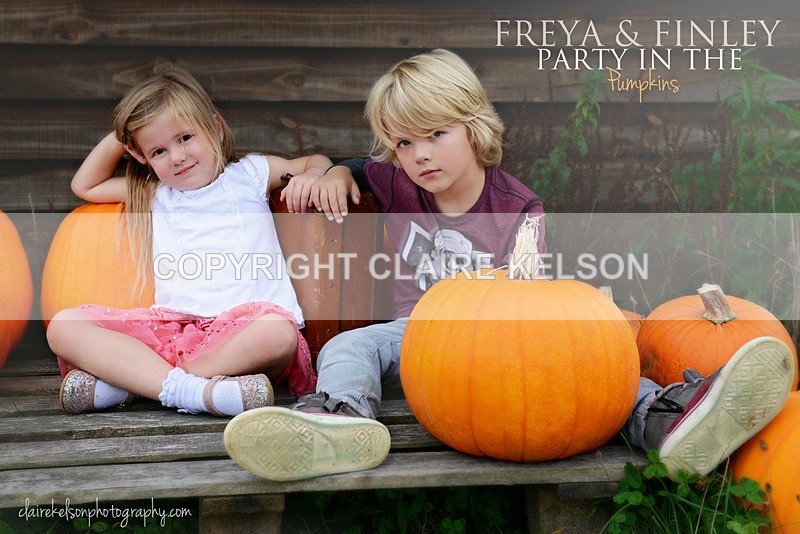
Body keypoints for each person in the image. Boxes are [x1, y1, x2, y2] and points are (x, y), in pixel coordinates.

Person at [223, 49, 796, 481]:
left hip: (498, 344)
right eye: (402, 143)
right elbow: (345, 160)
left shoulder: (517, 207)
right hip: (417, 338)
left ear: (473, 128)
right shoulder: (396, 182)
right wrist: (333, 172)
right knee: (346, 348)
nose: (419, 154)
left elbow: (528, 293)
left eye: (435, 135)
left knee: (591, 366)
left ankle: (667, 418)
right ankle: (342, 423)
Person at [47, 67, 332, 417]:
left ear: (213, 126)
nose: (177, 156)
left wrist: (315, 175)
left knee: (279, 333)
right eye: (158, 151)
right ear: (141, 157)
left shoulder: (251, 174)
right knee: (63, 326)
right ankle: (197, 393)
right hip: (173, 330)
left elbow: (315, 160)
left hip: (242, 335)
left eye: (184, 138)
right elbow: (85, 186)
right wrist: (125, 138)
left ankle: (141, 384)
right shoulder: (155, 193)